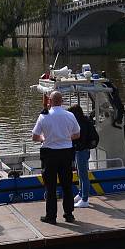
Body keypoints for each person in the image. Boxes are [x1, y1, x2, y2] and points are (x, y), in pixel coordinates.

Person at [32, 91, 81, 224]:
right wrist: (65, 138)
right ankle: (69, 214)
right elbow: (77, 134)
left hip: (49, 154)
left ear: (50, 101)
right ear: (62, 101)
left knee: (51, 187)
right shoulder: (70, 115)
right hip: (66, 153)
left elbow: (34, 136)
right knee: (67, 185)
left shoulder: (44, 117)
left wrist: (43, 138)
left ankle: (51, 216)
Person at [67, 104, 98, 208]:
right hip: (83, 150)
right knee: (80, 174)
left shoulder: (80, 124)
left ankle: (85, 199)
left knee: (83, 175)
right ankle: (81, 194)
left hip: (81, 151)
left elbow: (80, 138)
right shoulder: (85, 121)